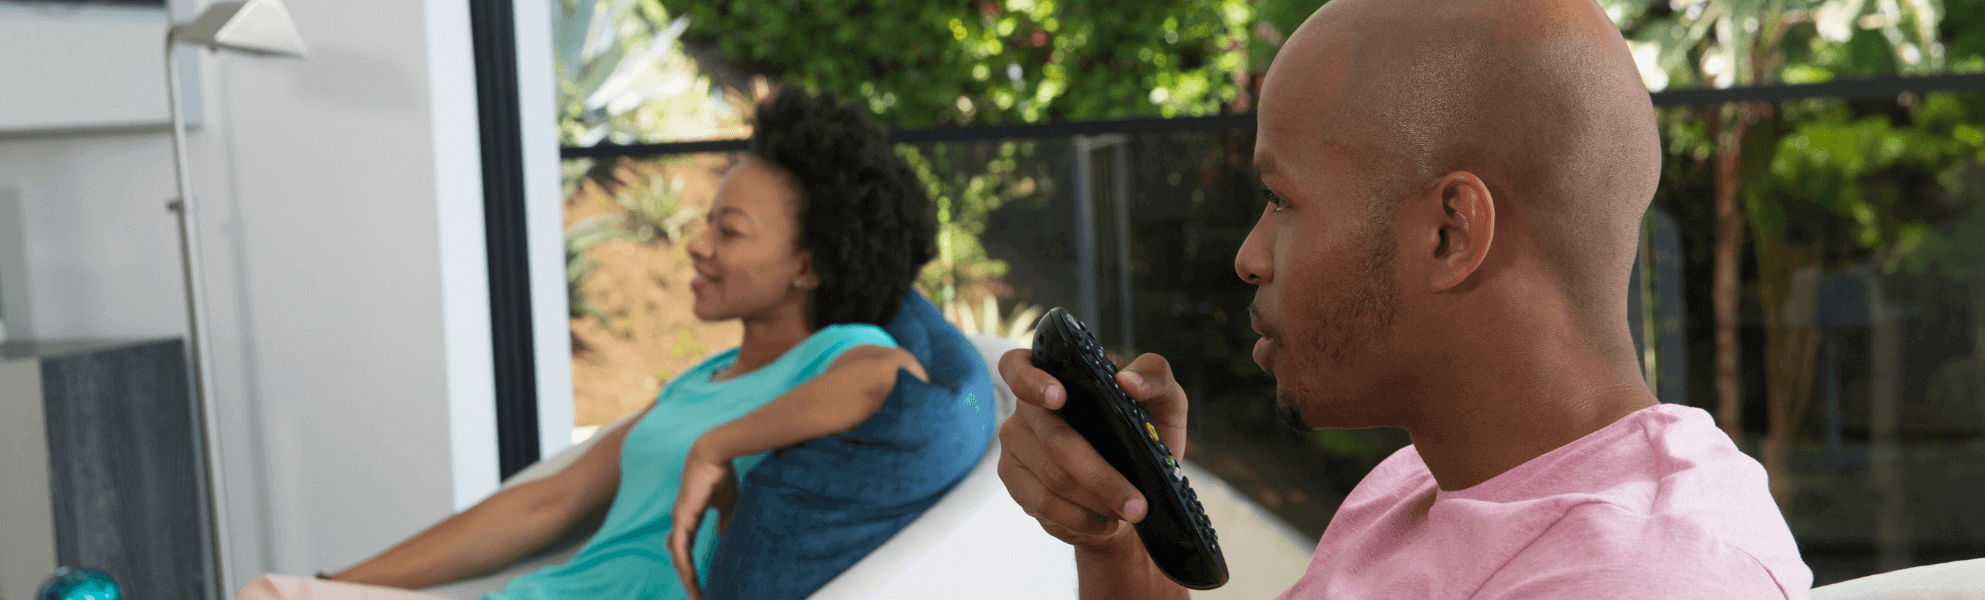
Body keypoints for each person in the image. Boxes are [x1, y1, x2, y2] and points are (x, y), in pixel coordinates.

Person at [993, 0, 1814, 598]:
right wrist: (1128, 550)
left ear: (1450, 234)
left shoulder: (1641, 578)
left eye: (1282, 201)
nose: (1249, 257)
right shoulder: (1417, 485)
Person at [237, 85, 947, 600]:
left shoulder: (840, 353)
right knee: (276, 595)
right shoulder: (705, 380)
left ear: (808, 265)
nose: (696, 246)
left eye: (729, 232)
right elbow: (544, 505)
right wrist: (333, 584)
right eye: (706, 222)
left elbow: (889, 381)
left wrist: (718, 445)